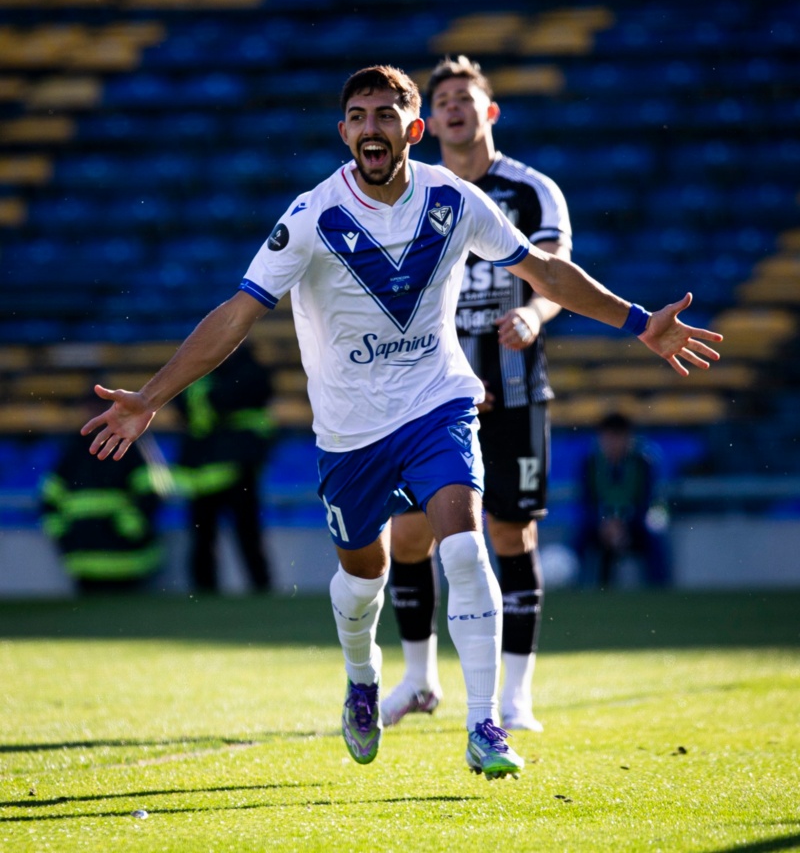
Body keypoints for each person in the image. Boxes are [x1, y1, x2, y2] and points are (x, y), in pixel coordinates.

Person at [80, 64, 722, 780]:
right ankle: (362, 676)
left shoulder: (455, 199)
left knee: (463, 545)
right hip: (350, 433)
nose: (370, 128)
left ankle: (485, 725)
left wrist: (638, 322)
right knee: (364, 578)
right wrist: (155, 395)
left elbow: (543, 270)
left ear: (412, 131)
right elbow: (238, 312)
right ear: (343, 132)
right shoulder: (312, 216)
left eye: (386, 115)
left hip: (437, 403)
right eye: (357, 116)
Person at [382, 56, 570, 734]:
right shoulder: (412, 196)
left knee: (509, 533)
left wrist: (534, 316)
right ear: (427, 123)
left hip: (516, 391)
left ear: (489, 113)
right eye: (444, 101)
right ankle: (418, 677)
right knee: (408, 536)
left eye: (467, 98)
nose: (455, 108)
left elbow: (555, 275)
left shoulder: (532, 191)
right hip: (433, 397)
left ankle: (516, 698)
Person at [175, 341, 274, 593]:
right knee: (214, 537)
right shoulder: (241, 369)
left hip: (227, 468)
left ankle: (254, 587)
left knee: (237, 534)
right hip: (217, 469)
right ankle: (241, 588)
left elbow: (201, 405)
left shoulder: (207, 373)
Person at [41, 423, 164, 594]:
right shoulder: (73, 450)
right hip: (84, 562)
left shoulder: (129, 446)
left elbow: (151, 492)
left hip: (128, 561)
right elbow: (49, 497)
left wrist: (132, 525)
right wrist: (63, 534)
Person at [577, 411, 672, 588]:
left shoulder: (642, 462)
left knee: (654, 539)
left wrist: (623, 525)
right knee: (579, 537)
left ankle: (660, 591)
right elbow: (587, 501)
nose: (613, 443)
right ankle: (574, 589)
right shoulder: (590, 463)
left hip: (634, 525)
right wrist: (604, 524)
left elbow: (647, 500)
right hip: (600, 526)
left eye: (618, 437)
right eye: (608, 437)